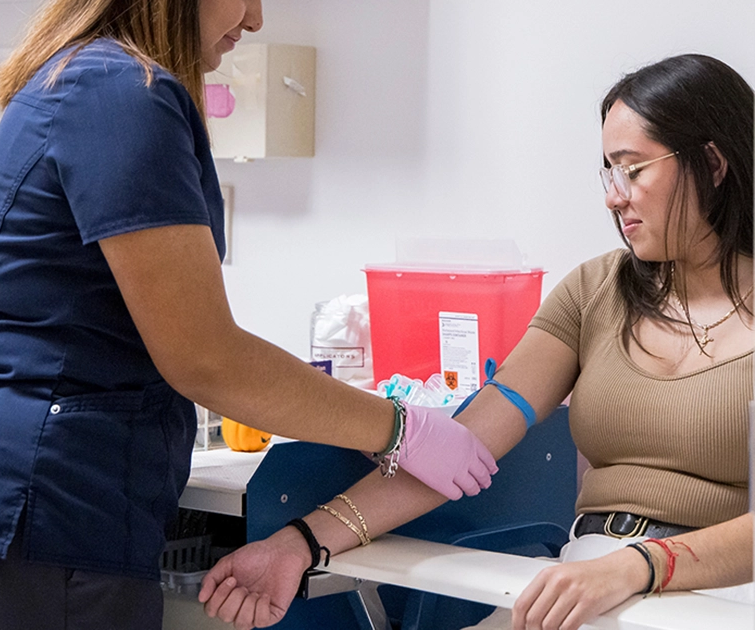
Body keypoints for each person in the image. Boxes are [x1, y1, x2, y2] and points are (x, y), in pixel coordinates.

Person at [0, 0, 496, 628]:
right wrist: (402, 429)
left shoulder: (79, 78)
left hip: (42, 505)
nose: (255, 20)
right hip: (51, 506)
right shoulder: (119, 93)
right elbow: (205, 356)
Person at [199, 52, 754, 630]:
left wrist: (641, 564)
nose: (614, 197)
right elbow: (461, 449)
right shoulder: (595, 292)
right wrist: (300, 542)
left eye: (634, 169)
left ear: (711, 163)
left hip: (719, 591)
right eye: (608, 172)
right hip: (587, 578)